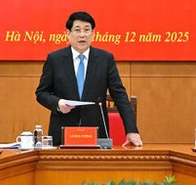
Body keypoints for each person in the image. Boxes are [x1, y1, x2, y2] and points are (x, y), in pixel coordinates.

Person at [35, 11, 142, 147]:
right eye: (77, 30)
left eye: (87, 30)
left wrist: (132, 130)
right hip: (62, 133)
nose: (82, 35)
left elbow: (119, 95)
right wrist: (58, 103)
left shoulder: (105, 59)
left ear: (93, 34)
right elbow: (41, 93)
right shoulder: (55, 59)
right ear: (68, 33)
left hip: (96, 134)